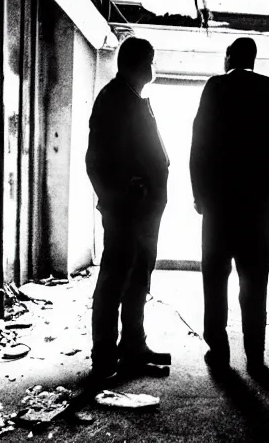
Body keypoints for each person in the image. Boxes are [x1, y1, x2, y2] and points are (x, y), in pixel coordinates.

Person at [189, 37, 269, 377]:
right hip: (255, 207)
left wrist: (199, 192)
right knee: (254, 283)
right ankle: (255, 355)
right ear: (255, 59)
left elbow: (198, 141)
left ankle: (219, 350)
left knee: (215, 279)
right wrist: (267, 195)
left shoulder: (216, 87)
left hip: (218, 204)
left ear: (229, 57)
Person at [86, 37, 171, 381]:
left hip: (143, 211)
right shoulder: (115, 100)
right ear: (137, 63)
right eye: (151, 60)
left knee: (137, 278)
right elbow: (97, 160)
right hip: (127, 211)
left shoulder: (132, 99)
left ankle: (133, 345)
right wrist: (123, 193)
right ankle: (104, 354)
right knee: (115, 278)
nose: (154, 67)